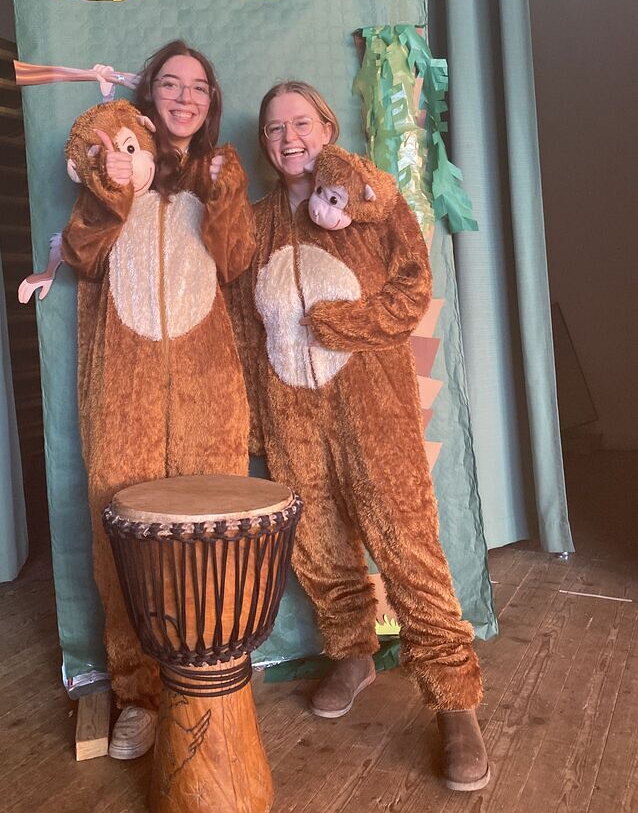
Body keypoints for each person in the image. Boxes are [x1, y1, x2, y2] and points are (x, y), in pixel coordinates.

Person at [227, 80, 489, 791]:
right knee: (316, 544)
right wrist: (256, 417)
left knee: (407, 544)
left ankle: (455, 700)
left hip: (373, 405)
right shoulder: (254, 224)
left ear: (327, 128)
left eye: (301, 123)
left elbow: (411, 286)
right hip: (290, 410)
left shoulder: (370, 199)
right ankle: (352, 653)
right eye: (275, 127)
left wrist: (342, 324)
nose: (289, 138)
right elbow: (245, 328)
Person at [61, 41, 255, 759]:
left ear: (211, 102)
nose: (184, 97)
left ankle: (215, 682)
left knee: (215, 534)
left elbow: (236, 262)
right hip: (125, 387)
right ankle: (138, 692)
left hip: (209, 387)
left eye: (198, 87)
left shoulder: (221, 171)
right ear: (149, 94)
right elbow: (81, 256)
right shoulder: (116, 161)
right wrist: (113, 191)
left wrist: (224, 197)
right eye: (170, 84)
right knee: (123, 530)